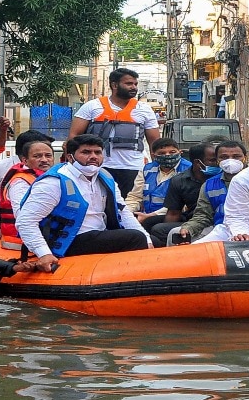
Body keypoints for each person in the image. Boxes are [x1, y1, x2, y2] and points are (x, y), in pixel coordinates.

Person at [16, 134, 153, 272]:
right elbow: (25, 221)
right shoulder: (54, 182)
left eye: (97, 152)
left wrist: (148, 240)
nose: (93, 156)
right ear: (70, 157)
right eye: (86, 152)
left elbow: (123, 212)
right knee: (135, 238)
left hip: (98, 235)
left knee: (153, 238)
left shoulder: (105, 178)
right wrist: (44, 253)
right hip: (67, 241)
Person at [67, 68, 160, 197]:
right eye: (129, 84)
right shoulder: (92, 106)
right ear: (114, 85)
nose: (134, 87)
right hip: (97, 166)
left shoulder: (144, 109)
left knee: (129, 205)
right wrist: (72, 163)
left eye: (135, 84)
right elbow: (73, 137)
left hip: (133, 168)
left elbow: (155, 144)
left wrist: (156, 169)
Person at [148, 142, 219, 247]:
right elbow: (173, 213)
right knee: (153, 225)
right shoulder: (180, 180)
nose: (218, 163)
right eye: (213, 160)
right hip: (194, 220)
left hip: (217, 219)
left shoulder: (222, 178)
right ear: (197, 163)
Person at [178, 140, 247, 244]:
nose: (230, 160)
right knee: (177, 235)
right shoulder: (209, 185)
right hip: (220, 229)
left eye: (236, 156)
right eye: (224, 157)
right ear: (217, 161)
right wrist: (188, 228)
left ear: (246, 158)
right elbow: (203, 216)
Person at [125, 138, 192, 227]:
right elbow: (135, 197)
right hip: (145, 215)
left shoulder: (189, 170)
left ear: (180, 152)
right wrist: (126, 213)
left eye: (172, 152)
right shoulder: (147, 169)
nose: (167, 155)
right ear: (154, 155)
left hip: (175, 216)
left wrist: (149, 216)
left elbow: (184, 205)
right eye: (162, 153)